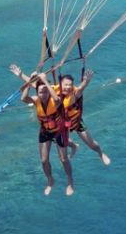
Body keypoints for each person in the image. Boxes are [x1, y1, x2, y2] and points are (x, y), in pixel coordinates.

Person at [10, 64, 75, 196]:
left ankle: (70, 181)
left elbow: (55, 97)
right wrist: (28, 80)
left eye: (46, 91)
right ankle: (50, 180)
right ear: (37, 93)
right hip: (45, 131)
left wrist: (44, 79)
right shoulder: (36, 100)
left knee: (63, 159)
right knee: (44, 160)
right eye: (41, 92)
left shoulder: (55, 100)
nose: (44, 94)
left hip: (59, 131)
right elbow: (23, 98)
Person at [58, 72, 111, 166]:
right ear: (60, 84)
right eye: (65, 85)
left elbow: (81, 88)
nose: (68, 87)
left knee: (92, 144)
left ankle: (101, 153)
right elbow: (39, 86)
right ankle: (74, 146)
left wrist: (86, 82)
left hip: (76, 121)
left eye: (70, 85)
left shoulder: (75, 93)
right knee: (59, 140)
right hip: (63, 123)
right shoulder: (55, 91)